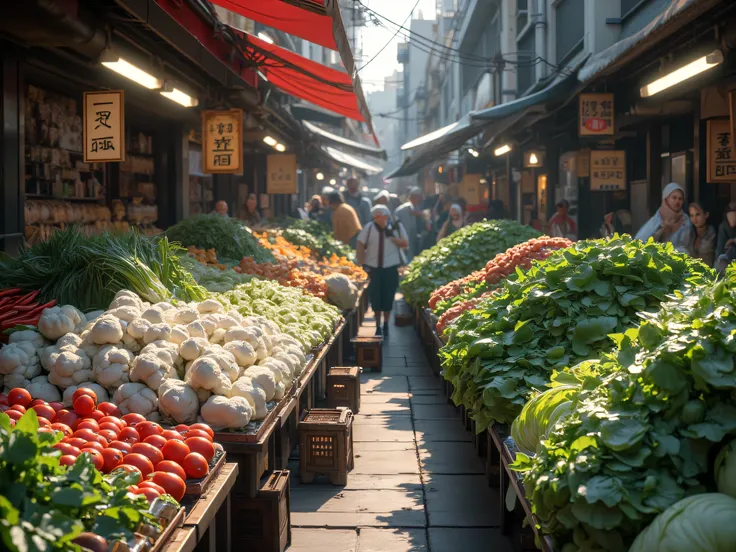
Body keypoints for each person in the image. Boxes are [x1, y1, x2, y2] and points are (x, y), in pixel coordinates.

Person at [356, 205, 409, 336]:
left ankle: (386, 323)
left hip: (390, 266)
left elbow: (405, 243)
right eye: (377, 216)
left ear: (387, 216)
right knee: (375, 296)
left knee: (388, 295)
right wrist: (361, 262)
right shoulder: (369, 228)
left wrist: (391, 237)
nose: (380, 218)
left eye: (382, 215)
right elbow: (360, 243)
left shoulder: (395, 227)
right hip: (373, 267)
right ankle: (377, 323)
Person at [635, 183, 691, 253]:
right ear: (666, 199)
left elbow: (687, 244)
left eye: (680, 199)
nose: (677, 201)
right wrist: (662, 231)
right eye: (674, 197)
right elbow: (639, 242)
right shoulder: (656, 220)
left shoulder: (685, 220)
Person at [394, 187, 428, 261]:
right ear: (413, 197)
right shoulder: (403, 210)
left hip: (414, 239)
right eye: (418, 197)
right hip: (404, 238)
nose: (420, 199)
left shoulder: (417, 208)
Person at [688, 202, 716, 266]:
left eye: (697, 214)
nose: (694, 218)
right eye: (692, 215)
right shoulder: (690, 233)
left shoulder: (712, 234)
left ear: (706, 215)